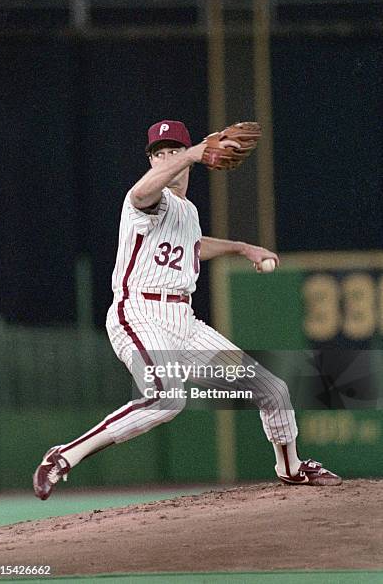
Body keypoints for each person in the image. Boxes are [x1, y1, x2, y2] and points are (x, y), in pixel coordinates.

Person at [33, 120, 341, 500]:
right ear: (152, 162)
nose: (166, 159)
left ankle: (291, 468)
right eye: (158, 154)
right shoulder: (148, 200)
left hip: (184, 322)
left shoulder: (188, 211)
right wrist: (193, 151)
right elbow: (140, 192)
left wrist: (243, 248)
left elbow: (195, 245)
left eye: (174, 151)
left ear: (190, 162)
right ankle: (64, 456)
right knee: (167, 397)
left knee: (272, 389)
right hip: (139, 313)